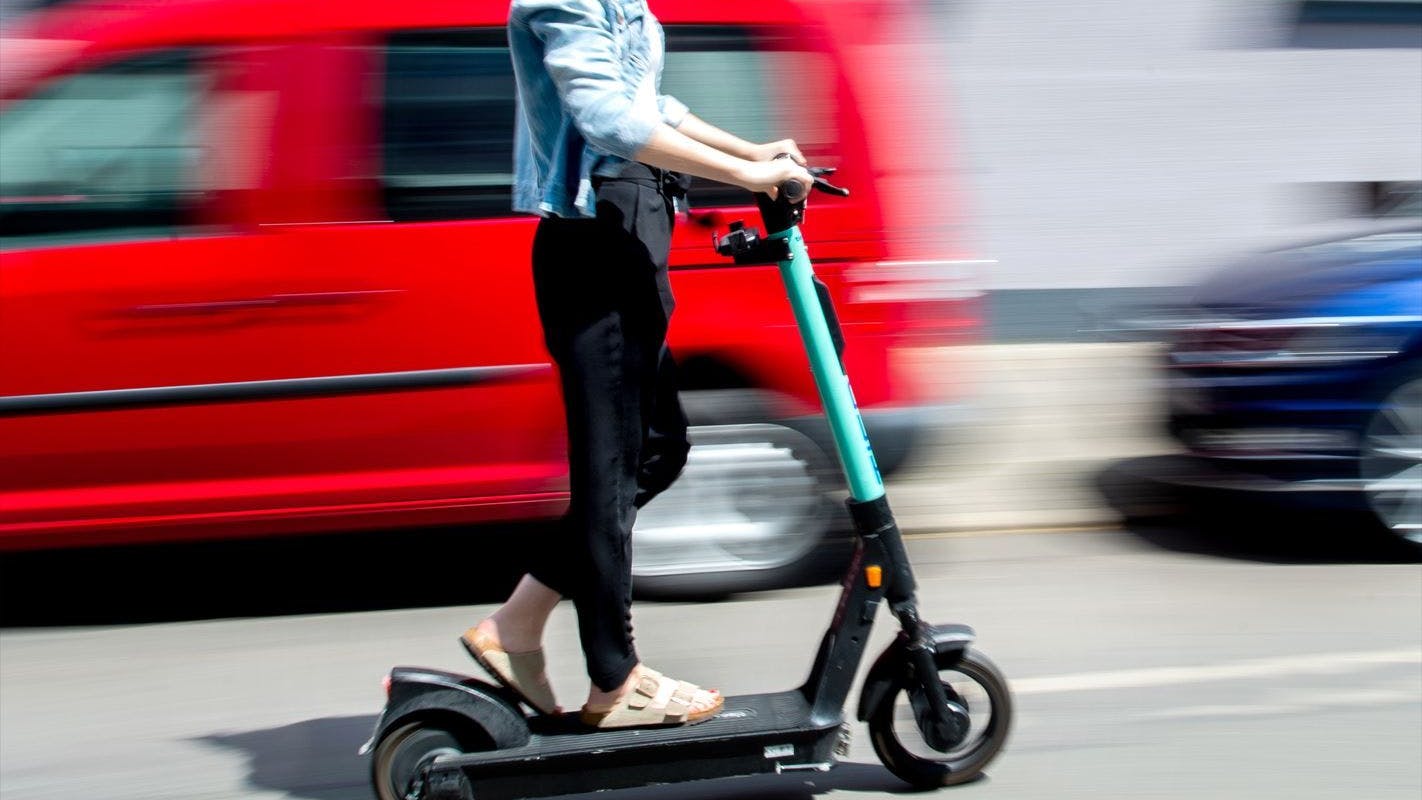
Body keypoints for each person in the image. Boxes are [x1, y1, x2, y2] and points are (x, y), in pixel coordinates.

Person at [460, 0, 815, 730]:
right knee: (613, 465)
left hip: (632, 232)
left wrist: (753, 155)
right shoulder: (567, 1)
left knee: (656, 453)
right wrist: (744, 178)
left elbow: (651, 105)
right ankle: (614, 679)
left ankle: (517, 624)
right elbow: (613, 124)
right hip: (597, 242)